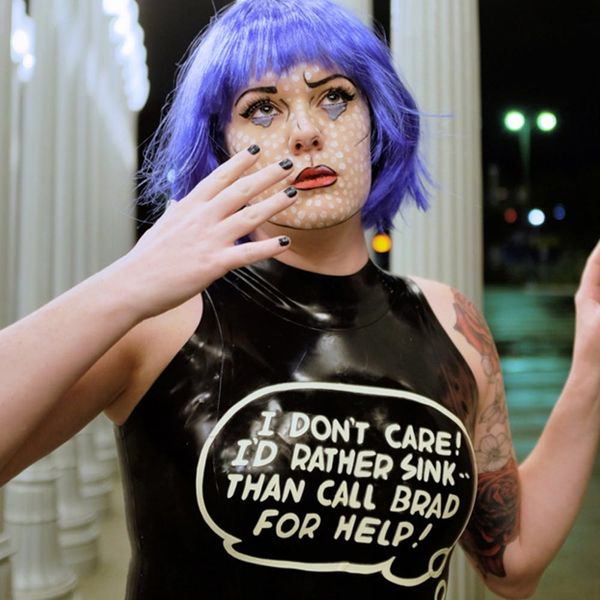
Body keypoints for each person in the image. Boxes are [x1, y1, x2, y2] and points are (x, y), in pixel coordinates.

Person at [0, 1, 598, 598]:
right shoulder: (165, 318)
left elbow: (510, 561)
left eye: (335, 97)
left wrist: (592, 366)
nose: (306, 132)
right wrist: (127, 283)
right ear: (220, 146)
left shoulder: (450, 323)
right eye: (262, 108)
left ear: (377, 123)